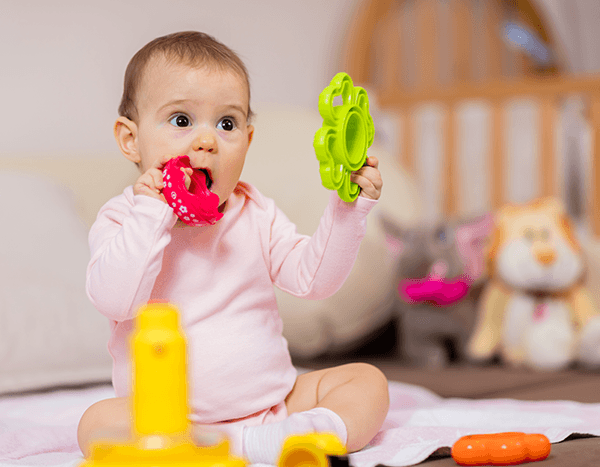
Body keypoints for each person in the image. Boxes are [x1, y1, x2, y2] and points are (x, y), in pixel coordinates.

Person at [77, 31, 388, 465]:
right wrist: (152, 215)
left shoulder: (254, 211)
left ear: (248, 140)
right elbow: (115, 300)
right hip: (171, 422)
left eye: (226, 124)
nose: (206, 141)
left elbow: (313, 280)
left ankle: (303, 434)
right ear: (131, 140)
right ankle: (227, 449)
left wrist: (348, 210)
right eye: (181, 120)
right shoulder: (123, 219)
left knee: (367, 382)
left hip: (274, 407)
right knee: (96, 422)